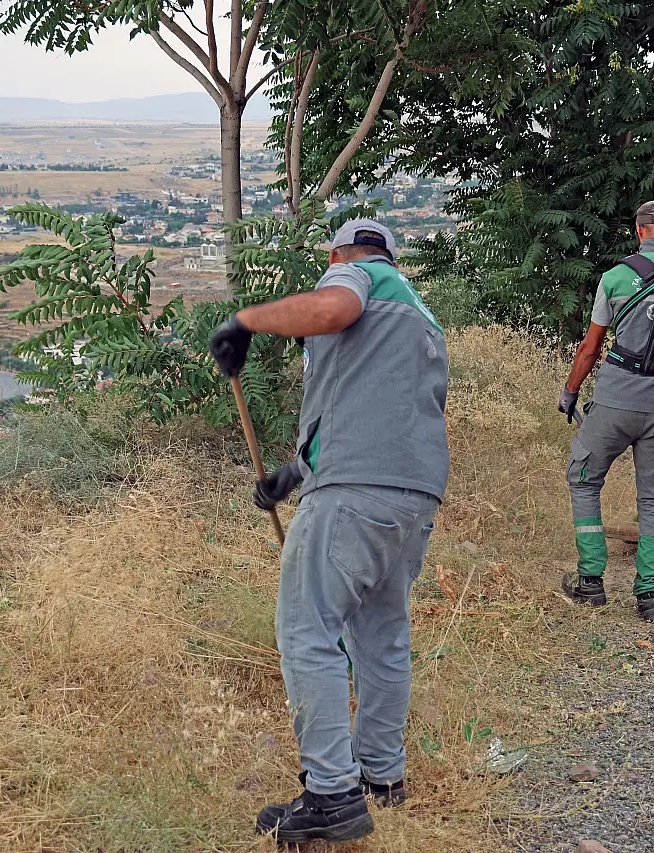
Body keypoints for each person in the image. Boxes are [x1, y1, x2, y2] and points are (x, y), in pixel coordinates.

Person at [209, 219, 449, 845]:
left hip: (355, 492)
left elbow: (336, 308)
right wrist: (295, 475)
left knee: (306, 630)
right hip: (412, 494)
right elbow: (374, 407)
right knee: (382, 634)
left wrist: (246, 321)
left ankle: (331, 794)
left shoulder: (356, 275)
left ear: (341, 253)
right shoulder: (419, 313)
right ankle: (380, 776)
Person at [557, 200, 654, 623]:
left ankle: (590, 581)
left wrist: (570, 391)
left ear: (640, 231)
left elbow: (591, 347)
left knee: (584, 477)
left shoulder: (615, 278)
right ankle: (649, 595)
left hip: (613, 400)